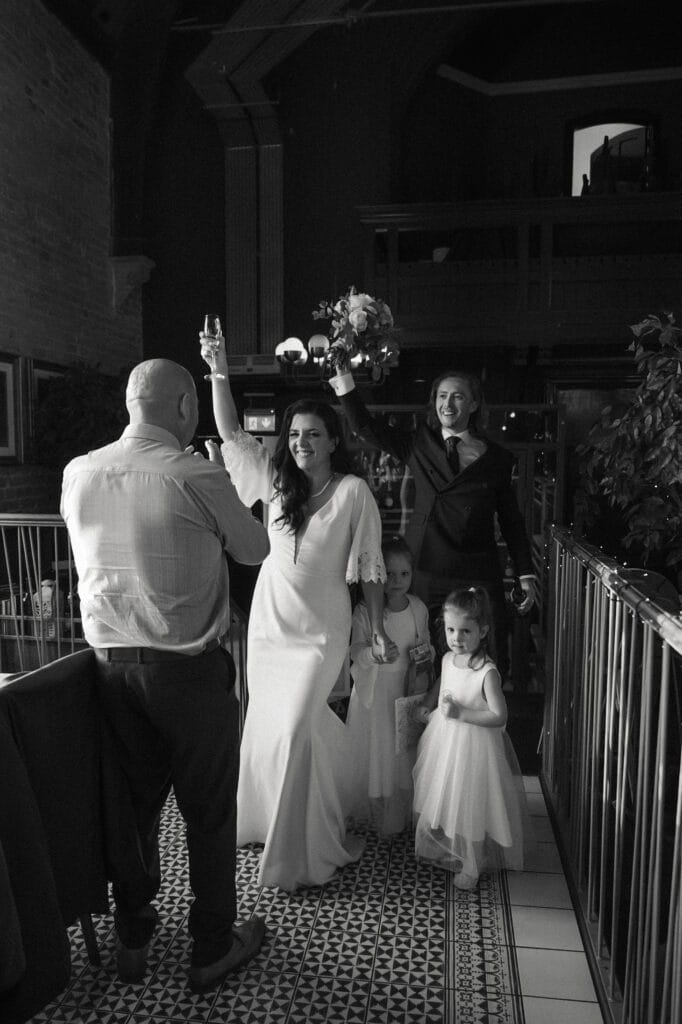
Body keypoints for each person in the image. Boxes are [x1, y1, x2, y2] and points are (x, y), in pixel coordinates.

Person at [60, 359, 270, 994]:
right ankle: (211, 946)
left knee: (133, 808)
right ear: (183, 407)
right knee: (208, 811)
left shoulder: (78, 472)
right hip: (187, 672)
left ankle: (132, 936)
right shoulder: (193, 473)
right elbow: (255, 548)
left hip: (108, 671)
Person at [200, 335, 392, 893]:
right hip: (270, 622)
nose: (301, 442)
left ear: (333, 440)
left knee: (297, 727)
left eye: (312, 434)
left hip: (321, 629)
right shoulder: (274, 481)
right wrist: (218, 370)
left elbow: (370, 566)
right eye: (293, 434)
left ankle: (300, 847)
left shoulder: (354, 492)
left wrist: (377, 627)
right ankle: (266, 821)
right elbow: (231, 432)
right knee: (269, 723)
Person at [328, 365, 536, 674]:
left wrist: (525, 574)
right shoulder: (419, 443)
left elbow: (511, 520)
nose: (447, 404)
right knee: (422, 656)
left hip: (476, 569)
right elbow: (365, 426)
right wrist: (344, 377)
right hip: (426, 567)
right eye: (442, 396)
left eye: (457, 397)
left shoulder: (497, 458)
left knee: (486, 657)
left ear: (474, 404)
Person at [412, 587, 533, 890]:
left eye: (465, 631)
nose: (457, 638)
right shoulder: (448, 658)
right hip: (445, 742)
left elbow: (499, 716)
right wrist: (428, 703)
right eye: (451, 630)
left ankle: (473, 863)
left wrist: (462, 714)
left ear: (483, 631)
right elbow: (443, 683)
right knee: (447, 797)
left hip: (475, 748)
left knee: (472, 805)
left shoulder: (486, 671)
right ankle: (452, 847)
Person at [345, 535, 434, 835]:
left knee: (401, 751)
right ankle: (374, 809)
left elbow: (426, 643)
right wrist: (373, 654)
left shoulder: (418, 608)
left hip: (404, 690)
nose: (396, 581)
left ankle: (399, 810)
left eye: (404, 574)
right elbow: (355, 651)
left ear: (412, 574)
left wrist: (426, 653)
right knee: (377, 748)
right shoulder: (365, 612)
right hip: (376, 691)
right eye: (389, 574)